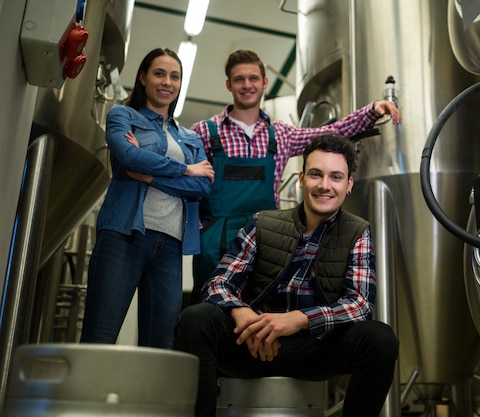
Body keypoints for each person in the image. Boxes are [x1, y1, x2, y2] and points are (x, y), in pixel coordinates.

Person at [174, 134, 399, 417]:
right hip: (252, 343)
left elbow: (360, 304)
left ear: (348, 185)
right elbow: (218, 283)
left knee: (380, 339)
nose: (325, 186)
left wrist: (301, 320)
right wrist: (243, 315)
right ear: (302, 178)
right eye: (316, 175)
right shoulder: (263, 222)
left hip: (313, 349)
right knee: (196, 318)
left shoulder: (357, 231)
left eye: (336, 177)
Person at [189, 49, 402, 302]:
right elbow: (190, 188)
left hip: (267, 239)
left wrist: (373, 111)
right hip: (216, 241)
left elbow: (332, 132)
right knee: (209, 309)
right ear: (229, 84)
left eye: (253, 78)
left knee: (261, 307)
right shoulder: (203, 131)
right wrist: (198, 230)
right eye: (239, 79)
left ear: (264, 82)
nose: (247, 85)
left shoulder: (281, 134)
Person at [80, 48, 214, 349]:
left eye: (174, 76)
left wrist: (153, 176)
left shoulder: (190, 137)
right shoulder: (122, 115)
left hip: (170, 244)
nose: (167, 82)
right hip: (123, 235)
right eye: (159, 73)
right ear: (143, 77)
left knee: (160, 343)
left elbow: (204, 188)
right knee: (99, 336)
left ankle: (148, 398)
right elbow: (129, 157)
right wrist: (186, 169)